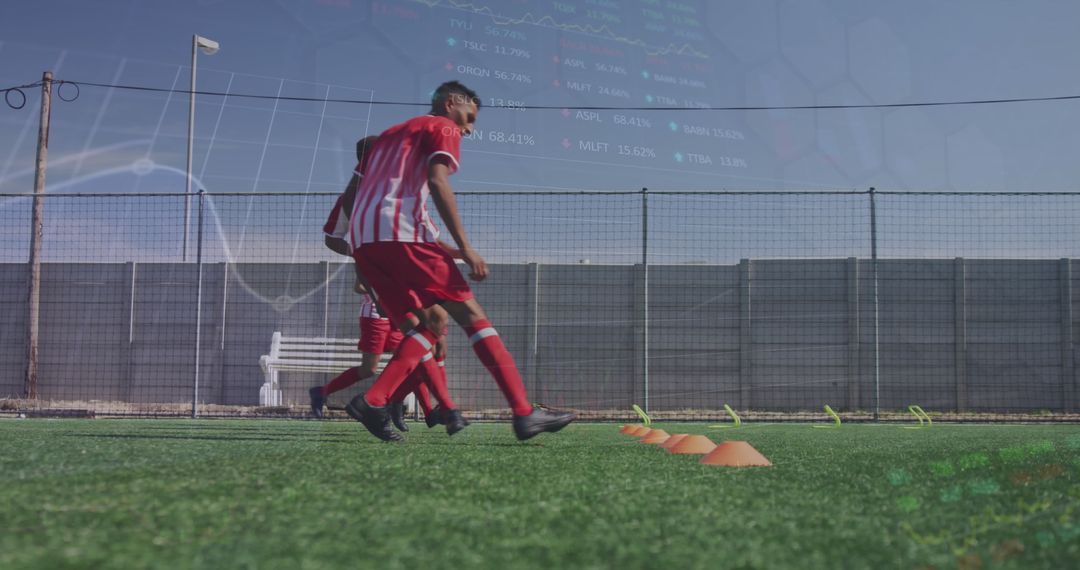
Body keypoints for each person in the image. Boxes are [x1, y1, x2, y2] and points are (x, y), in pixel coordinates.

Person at [345, 80, 575, 441]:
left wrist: (438, 246)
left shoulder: (389, 135)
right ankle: (523, 412)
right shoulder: (442, 126)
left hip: (365, 241)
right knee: (472, 316)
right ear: (453, 103)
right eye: (470, 118)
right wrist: (466, 247)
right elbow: (438, 182)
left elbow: (370, 193)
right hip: (402, 236)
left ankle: (373, 400)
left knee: (424, 328)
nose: (467, 129)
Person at [311, 136, 465, 434]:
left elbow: (429, 236)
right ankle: (429, 407)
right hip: (387, 282)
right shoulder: (353, 197)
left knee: (434, 341)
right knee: (423, 340)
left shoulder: (403, 191)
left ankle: (395, 403)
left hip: (415, 274)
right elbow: (332, 238)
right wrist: (364, 255)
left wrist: (457, 251)